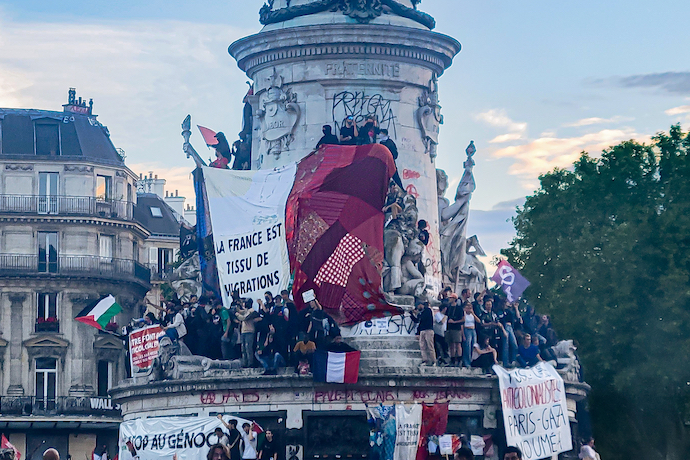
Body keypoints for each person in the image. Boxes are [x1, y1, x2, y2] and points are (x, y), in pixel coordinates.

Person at [236, 299, 261, 367]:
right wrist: (237, 309)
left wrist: (237, 315)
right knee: (243, 348)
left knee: (248, 347)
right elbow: (241, 311)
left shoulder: (252, 311)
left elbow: (245, 318)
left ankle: (250, 363)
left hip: (249, 331)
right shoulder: (246, 311)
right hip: (243, 331)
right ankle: (245, 362)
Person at [414, 301, 436, 366]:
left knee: (430, 346)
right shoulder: (420, 313)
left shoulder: (427, 310)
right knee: (422, 346)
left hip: (428, 330)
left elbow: (423, 319)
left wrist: (418, 314)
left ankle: (433, 361)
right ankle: (425, 360)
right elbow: (418, 321)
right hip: (422, 330)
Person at [445, 293, 463, 367]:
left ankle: (459, 360)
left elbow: (462, 319)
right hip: (449, 328)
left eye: (451, 298)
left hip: (456, 328)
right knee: (451, 345)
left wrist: (454, 322)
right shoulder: (448, 308)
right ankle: (452, 360)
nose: (450, 299)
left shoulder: (459, 308)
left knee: (458, 344)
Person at [462, 301, 481, 367]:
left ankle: (473, 361)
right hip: (467, 329)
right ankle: (467, 361)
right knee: (467, 346)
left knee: (474, 346)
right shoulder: (464, 314)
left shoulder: (472, 315)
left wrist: (473, 313)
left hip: (473, 330)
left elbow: (478, 321)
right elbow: (463, 322)